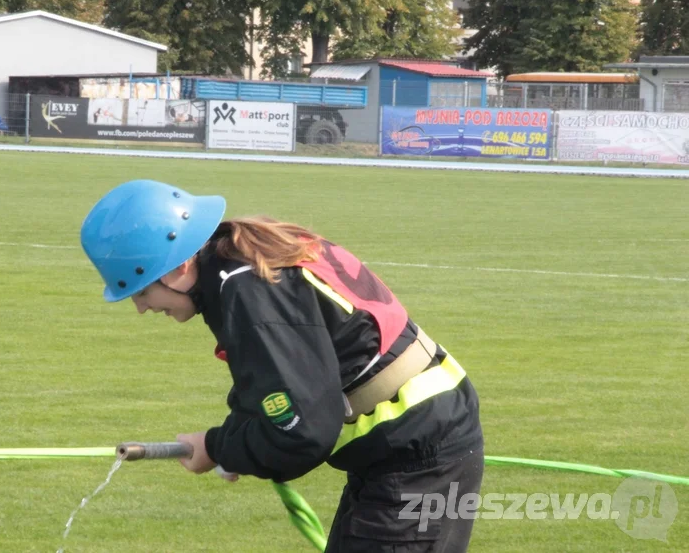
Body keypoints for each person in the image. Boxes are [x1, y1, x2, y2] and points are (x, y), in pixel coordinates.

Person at [80, 180, 484, 553]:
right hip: (407, 444)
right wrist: (234, 440)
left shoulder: (248, 290)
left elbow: (304, 434)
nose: (141, 307)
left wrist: (220, 447)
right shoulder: (236, 263)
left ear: (177, 267)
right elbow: (271, 380)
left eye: (142, 290)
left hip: (419, 456)